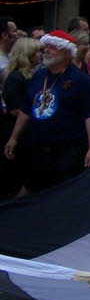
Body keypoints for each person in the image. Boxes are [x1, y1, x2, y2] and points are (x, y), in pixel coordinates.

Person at [3, 30, 90, 191]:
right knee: (37, 189)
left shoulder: (81, 80)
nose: (46, 51)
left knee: (62, 192)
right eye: (46, 47)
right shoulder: (38, 77)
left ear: (67, 52)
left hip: (67, 150)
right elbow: (26, 110)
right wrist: (14, 137)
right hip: (38, 150)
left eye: (52, 47)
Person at [1, 37, 41, 197]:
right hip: (18, 131)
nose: (40, 55)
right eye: (37, 52)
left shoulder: (33, 75)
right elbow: (14, 110)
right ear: (28, 54)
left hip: (30, 131)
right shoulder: (15, 78)